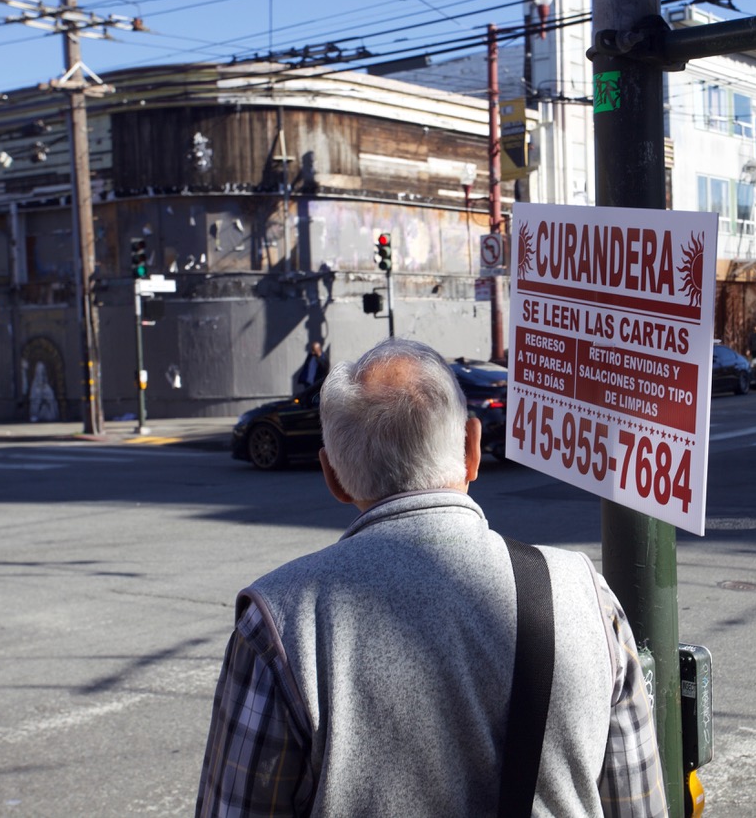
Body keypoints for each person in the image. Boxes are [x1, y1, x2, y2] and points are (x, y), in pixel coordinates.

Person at [195, 338, 666, 818]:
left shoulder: (276, 623)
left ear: (333, 477)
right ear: (472, 448)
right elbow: (638, 806)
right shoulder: (586, 594)